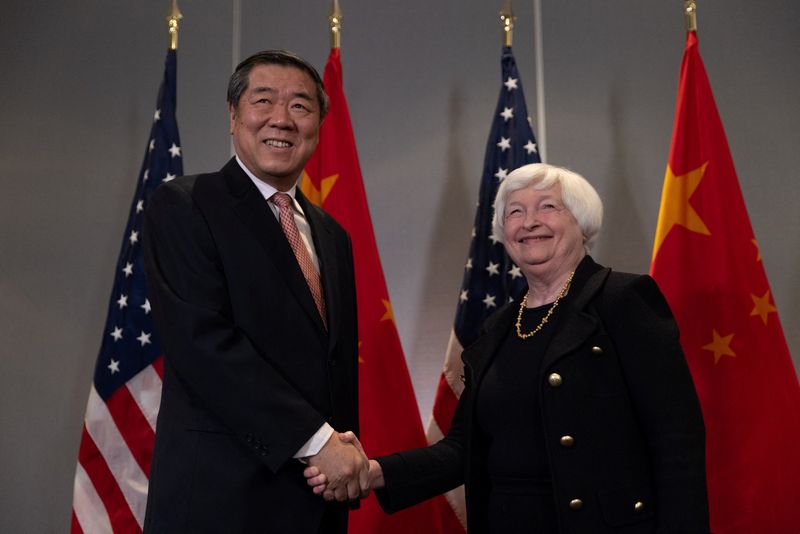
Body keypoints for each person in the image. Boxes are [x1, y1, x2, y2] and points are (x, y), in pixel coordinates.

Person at [306, 163, 711, 533]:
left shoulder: (622, 299)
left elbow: (676, 438)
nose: (529, 222)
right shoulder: (498, 327)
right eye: (515, 212)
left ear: (582, 222)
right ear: (502, 231)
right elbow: (463, 447)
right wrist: (373, 471)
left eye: (548, 206)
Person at [142, 49, 368, 534]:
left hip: (315, 502)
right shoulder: (186, 205)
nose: (282, 120)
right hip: (221, 503)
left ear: (318, 123)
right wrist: (318, 442)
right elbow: (205, 347)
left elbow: (333, 366)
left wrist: (340, 461)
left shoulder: (332, 236)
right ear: (233, 115)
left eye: (301, 107)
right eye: (264, 101)